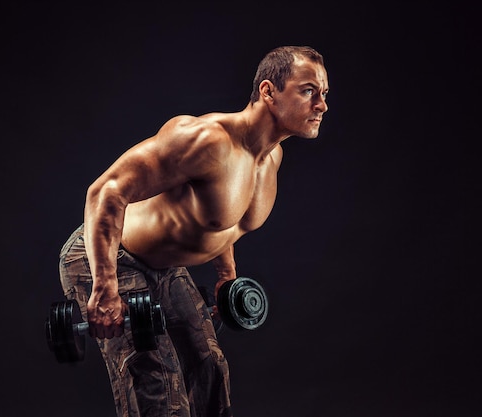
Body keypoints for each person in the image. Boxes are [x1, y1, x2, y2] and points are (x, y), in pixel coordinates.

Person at [58, 45, 329, 417]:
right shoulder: (206, 140)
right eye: (309, 91)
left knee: (209, 368)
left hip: (165, 268)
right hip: (110, 256)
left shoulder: (271, 157)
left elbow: (222, 221)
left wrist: (226, 273)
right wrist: (104, 286)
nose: (322, 106)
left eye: (324, 94)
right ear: (269, 92)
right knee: (156, 381)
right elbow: (105, 192)